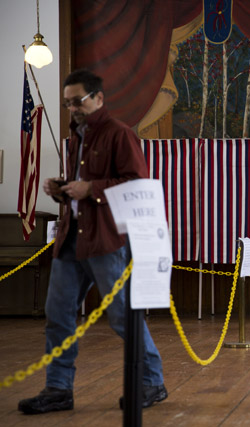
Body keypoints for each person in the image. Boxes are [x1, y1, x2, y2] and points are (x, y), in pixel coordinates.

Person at [18, 69, 167, 414]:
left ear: (98, 98)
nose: (72, 108)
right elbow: (83, 184)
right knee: (57, 316)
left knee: (121, 316)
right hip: (71, 237)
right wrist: (63, 189)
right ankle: (58, 388)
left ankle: (151, 382)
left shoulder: (119, 134)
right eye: (68, 103)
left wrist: (90, 190)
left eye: (78, 101)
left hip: (105, 239)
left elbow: (136, 183)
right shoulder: (76, 137)